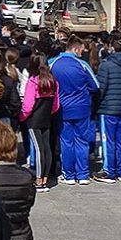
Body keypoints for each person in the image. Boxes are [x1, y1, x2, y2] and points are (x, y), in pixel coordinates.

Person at [49, 36, 99, 185]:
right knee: (82, 141)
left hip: (62, 108)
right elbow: (95, 85)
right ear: (76, 48)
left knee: (66, 142)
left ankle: (69, 174)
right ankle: (83, 175)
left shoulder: (53, 63)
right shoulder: (82, 65)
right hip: (82, 108)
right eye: (82, 50)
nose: (83, 52)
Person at [93, 36, 121, 184]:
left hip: (108, 108)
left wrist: (97, 105)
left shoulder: (106, 65)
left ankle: (109, 171)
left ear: (112, 48)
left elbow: (101, 88)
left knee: (108, 141)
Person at [19, 54, 60, 191]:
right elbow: (56, 104)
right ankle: (45, 178)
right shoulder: (53, 81)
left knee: (38, 148)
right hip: (47, 117)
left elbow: (28, 104)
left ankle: (38, 180)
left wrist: (23, 117)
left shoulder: (33, 81)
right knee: (46, 147)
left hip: (34, 119)